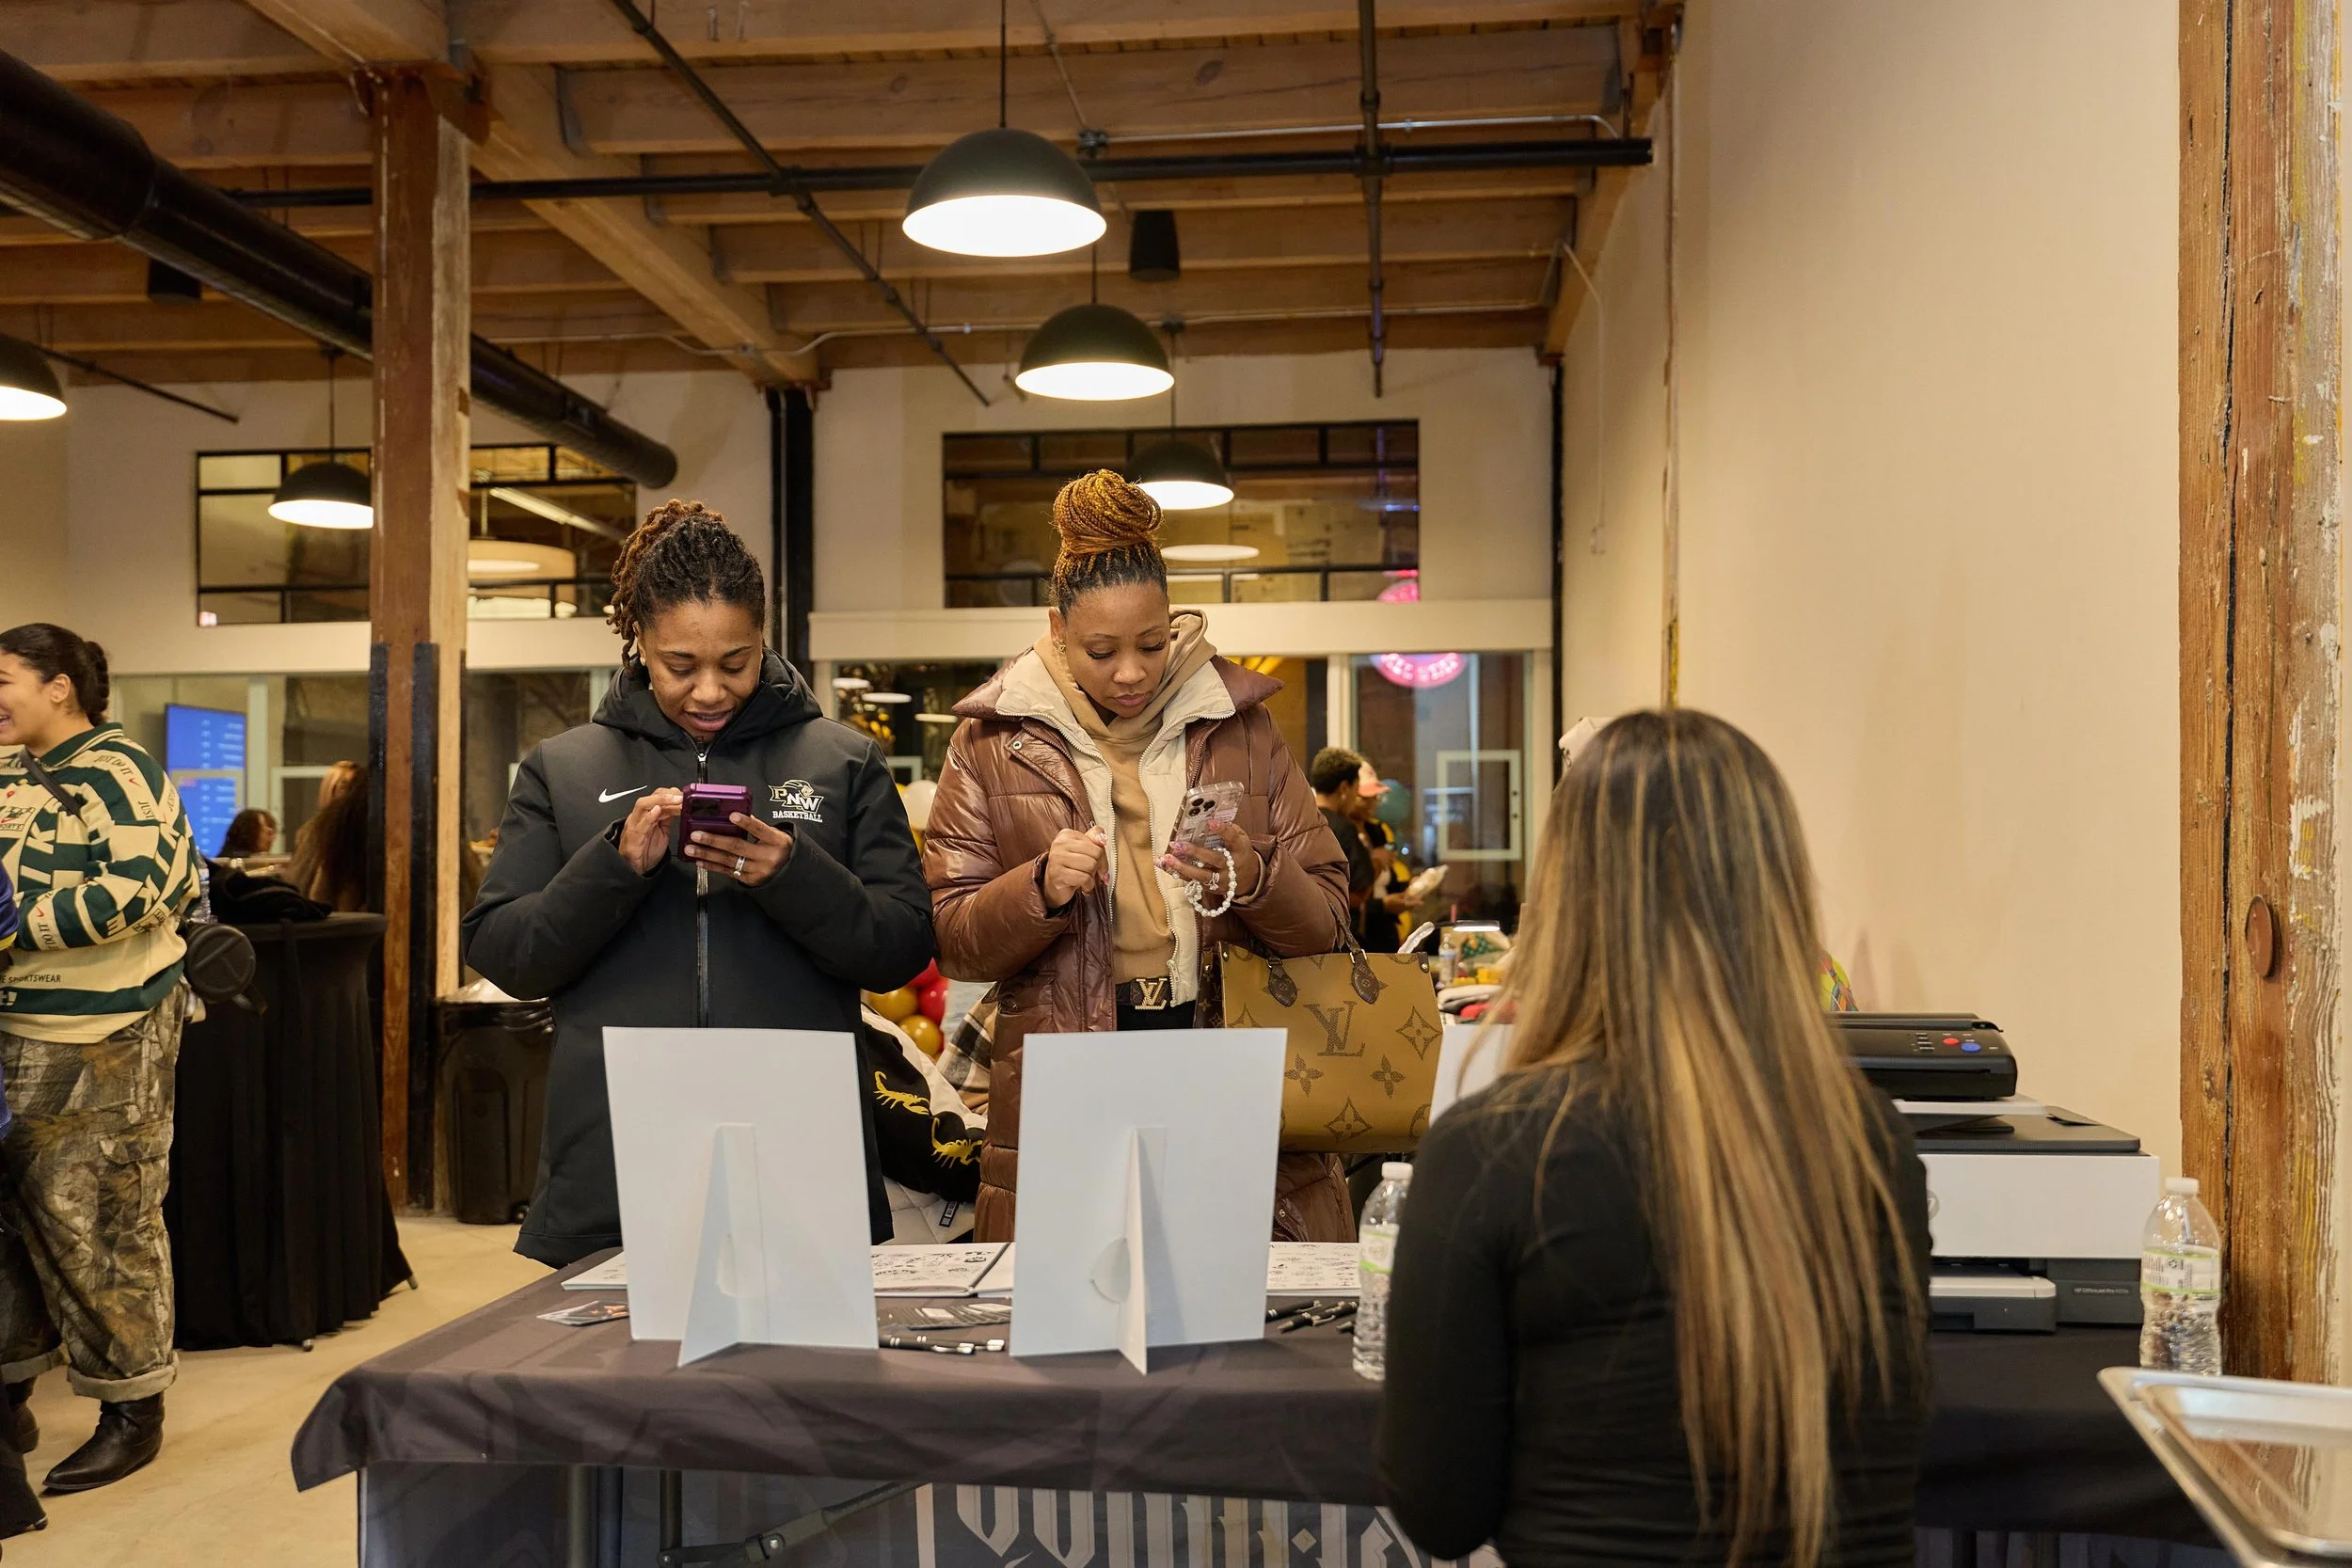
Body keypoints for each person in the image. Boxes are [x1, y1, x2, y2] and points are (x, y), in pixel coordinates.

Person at [1380, 709, 1931, 1568]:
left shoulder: (1493, 1152)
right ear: (1775, 892)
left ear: (1566, 897)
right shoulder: (1873, 1144)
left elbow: (1440, 1509)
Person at [463, 500, 934, 1270]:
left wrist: (792, 873)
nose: (710, 690)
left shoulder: (842, 763)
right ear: (639, 641)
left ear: (763, 641)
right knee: (614, 1385)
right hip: (614, 1149)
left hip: (797, 1145)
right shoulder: (565, 769)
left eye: (736, 662)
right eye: (681, 665)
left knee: (803, 1386)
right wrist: (614, 865)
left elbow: (901, 946)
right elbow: (506, 953)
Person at [924, 470, 1354, 1244]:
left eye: (1152, 645)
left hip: (1220, 1049)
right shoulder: (990, 743)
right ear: (1057, 629)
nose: (1130, 671)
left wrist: (1252, 874)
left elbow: (1327, 920)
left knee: (1229, 1310)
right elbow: (952, 935)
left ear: (1175, 625)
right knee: (1078, 1308)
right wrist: (1040, 890)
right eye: (1101, 650)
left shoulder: (1242, 726)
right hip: (1069, 1065)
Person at [0, 624, 201, 1496]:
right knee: (13, 1221)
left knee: (100, 1224)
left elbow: (145, 883)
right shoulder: (5, 770)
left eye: (3, 677)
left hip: (106, 1034)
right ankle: (10, 1390)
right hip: (14, 1025)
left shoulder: (120, 770)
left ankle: (132, 1409)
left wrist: (17, 924)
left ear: (59, 688)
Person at [284, 765, 369, 912]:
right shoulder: (319, 831)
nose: (345, 792)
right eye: (342, 786)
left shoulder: (326, 828)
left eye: (349, 786)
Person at [1308, 747, 1375, 921]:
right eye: (1356, 789)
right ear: (1344, 788)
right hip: (1337, 931)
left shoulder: (1297, 821)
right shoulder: (1343, 828)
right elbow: (1362, 888)